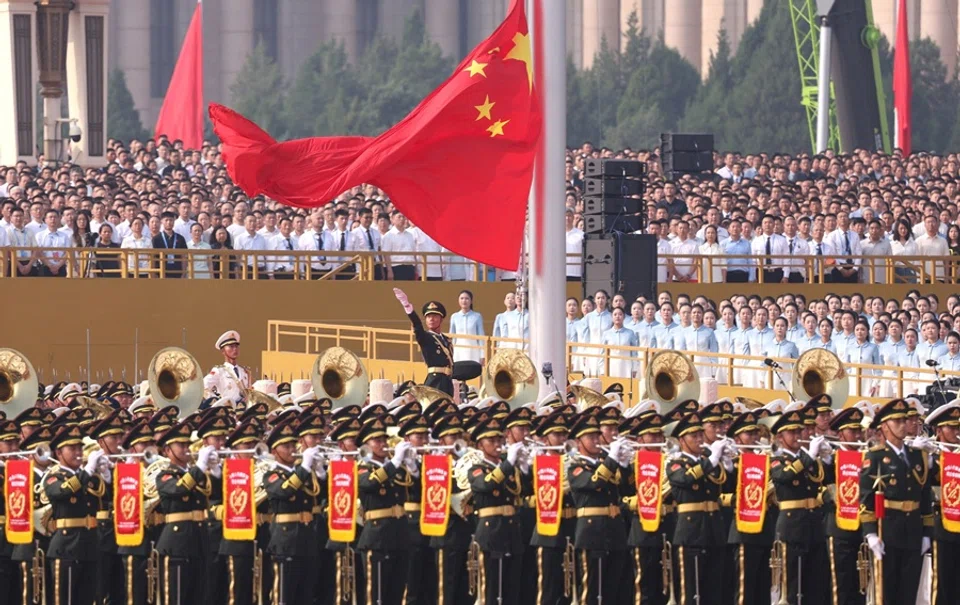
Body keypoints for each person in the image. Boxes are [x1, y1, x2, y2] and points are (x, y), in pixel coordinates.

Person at [859, 399, 933, 605]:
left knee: (909, 591)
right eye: (898, 421)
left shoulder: (917, 456)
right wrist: (871, 533)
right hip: (888, 531)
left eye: (905, 420)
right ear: (884, 426)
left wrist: (927, 532)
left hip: (913, 531)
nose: (903, 424)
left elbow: (925, 496)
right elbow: (866, 497)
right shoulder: (875, 457)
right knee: (887, 592)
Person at [665, 410, 728, 605]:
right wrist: (712, 461)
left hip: (713, 531)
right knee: (691, 591)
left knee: (714, 590)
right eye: (694, 436)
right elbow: (685, 478)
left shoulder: (708, 462)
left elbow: (726, 486)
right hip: (691, 533)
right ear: (682, 440)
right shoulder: (675, 463)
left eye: (701, 435)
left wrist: (727, 463)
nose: (700, 439)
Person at [43, 424, 108, 605]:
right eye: (71, 448)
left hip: (90, 545)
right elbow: (62, 492)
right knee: (65, 600)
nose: (78, 452)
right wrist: (87, 471)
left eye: (79, 448)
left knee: (88, 599)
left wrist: (107, 475)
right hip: (66, 547)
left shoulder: (89, 478)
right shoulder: (54, 476)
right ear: (58, 453)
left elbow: (106, 501)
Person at [467, 415, 526, 605]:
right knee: (490, 591)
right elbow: (486, 484)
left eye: (499, 439)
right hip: (491, 534)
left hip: (512, 533)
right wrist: (508, 464)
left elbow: (524, 491)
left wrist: (524, 467)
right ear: (479, 446)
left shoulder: (510, 469)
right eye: (490, 441)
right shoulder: (476, 468)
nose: (496, 444)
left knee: (512, 590)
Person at [356, 416, 413, 605]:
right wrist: (395, 462)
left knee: (397, 594)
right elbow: (369, 483)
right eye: (377, 441)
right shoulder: (362, 468)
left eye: (384, 440)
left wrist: (413, 466)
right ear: (366, 444)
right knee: (376, 595)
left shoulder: (396, 468)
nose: (382, 444)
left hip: (400, 536)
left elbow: (415, 488)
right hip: (377, 538)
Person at [263, 415, 320, 604]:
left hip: (306, 540)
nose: (291, 450)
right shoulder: (271, 475)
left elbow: (321, 495)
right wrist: (304, 467)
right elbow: (284, 491)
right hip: (285, 542)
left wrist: (320, 472)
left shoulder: (303, 473)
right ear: (274, 451)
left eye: (293, 446)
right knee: (283, 596)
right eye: (285, 447)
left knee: (305, 596)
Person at [394, 289, 454, 396]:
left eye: (435, 316)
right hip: (435, 381)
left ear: (441, 319)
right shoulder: (426, 337)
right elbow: (417, 325)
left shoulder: (446, 340)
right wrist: (408, 307)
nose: (431, 319)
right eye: (428, 317)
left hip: (447, 381)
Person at [205, 330, 250, 403]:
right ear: (223, 351)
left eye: (236, 346)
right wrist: (218, 400)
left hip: (242, 410)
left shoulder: (244, 371)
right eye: (231, 346)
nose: (235, 349)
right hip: (227, 410)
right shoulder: (219, 371)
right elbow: (204, 387)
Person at [448, 289, 485, 364]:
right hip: (458, 350)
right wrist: (450, 352)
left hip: (473, 349)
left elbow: (481, 337)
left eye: (467, 298)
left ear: (471, 301)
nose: (464, 301)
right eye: (462, 298)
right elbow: (452, 336)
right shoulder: (454, 316)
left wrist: (482, 354)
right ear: (458, 300)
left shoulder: (477, 316)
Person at [601, 306, 639, 378]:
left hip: (626, 366)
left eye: (620, 314)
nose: (617, 316)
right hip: (611, 365)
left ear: (624, 317)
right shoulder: (606, 334)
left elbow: (634, 353)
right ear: (611, 317)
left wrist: (634, 369)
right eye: (615, 314)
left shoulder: (630, 333)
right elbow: (602, 353)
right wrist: (602, 370)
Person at [152, 211, 188, 277]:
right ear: (162, 222)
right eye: (166, 220)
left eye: (171, 220)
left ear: (174, 221)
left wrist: (184, 273)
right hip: (161, 273)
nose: (169, 222)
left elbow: (184, 257)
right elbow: (153, 257)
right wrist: (154, 274)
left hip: (177, 272)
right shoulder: (156, 239)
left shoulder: (180, 238)